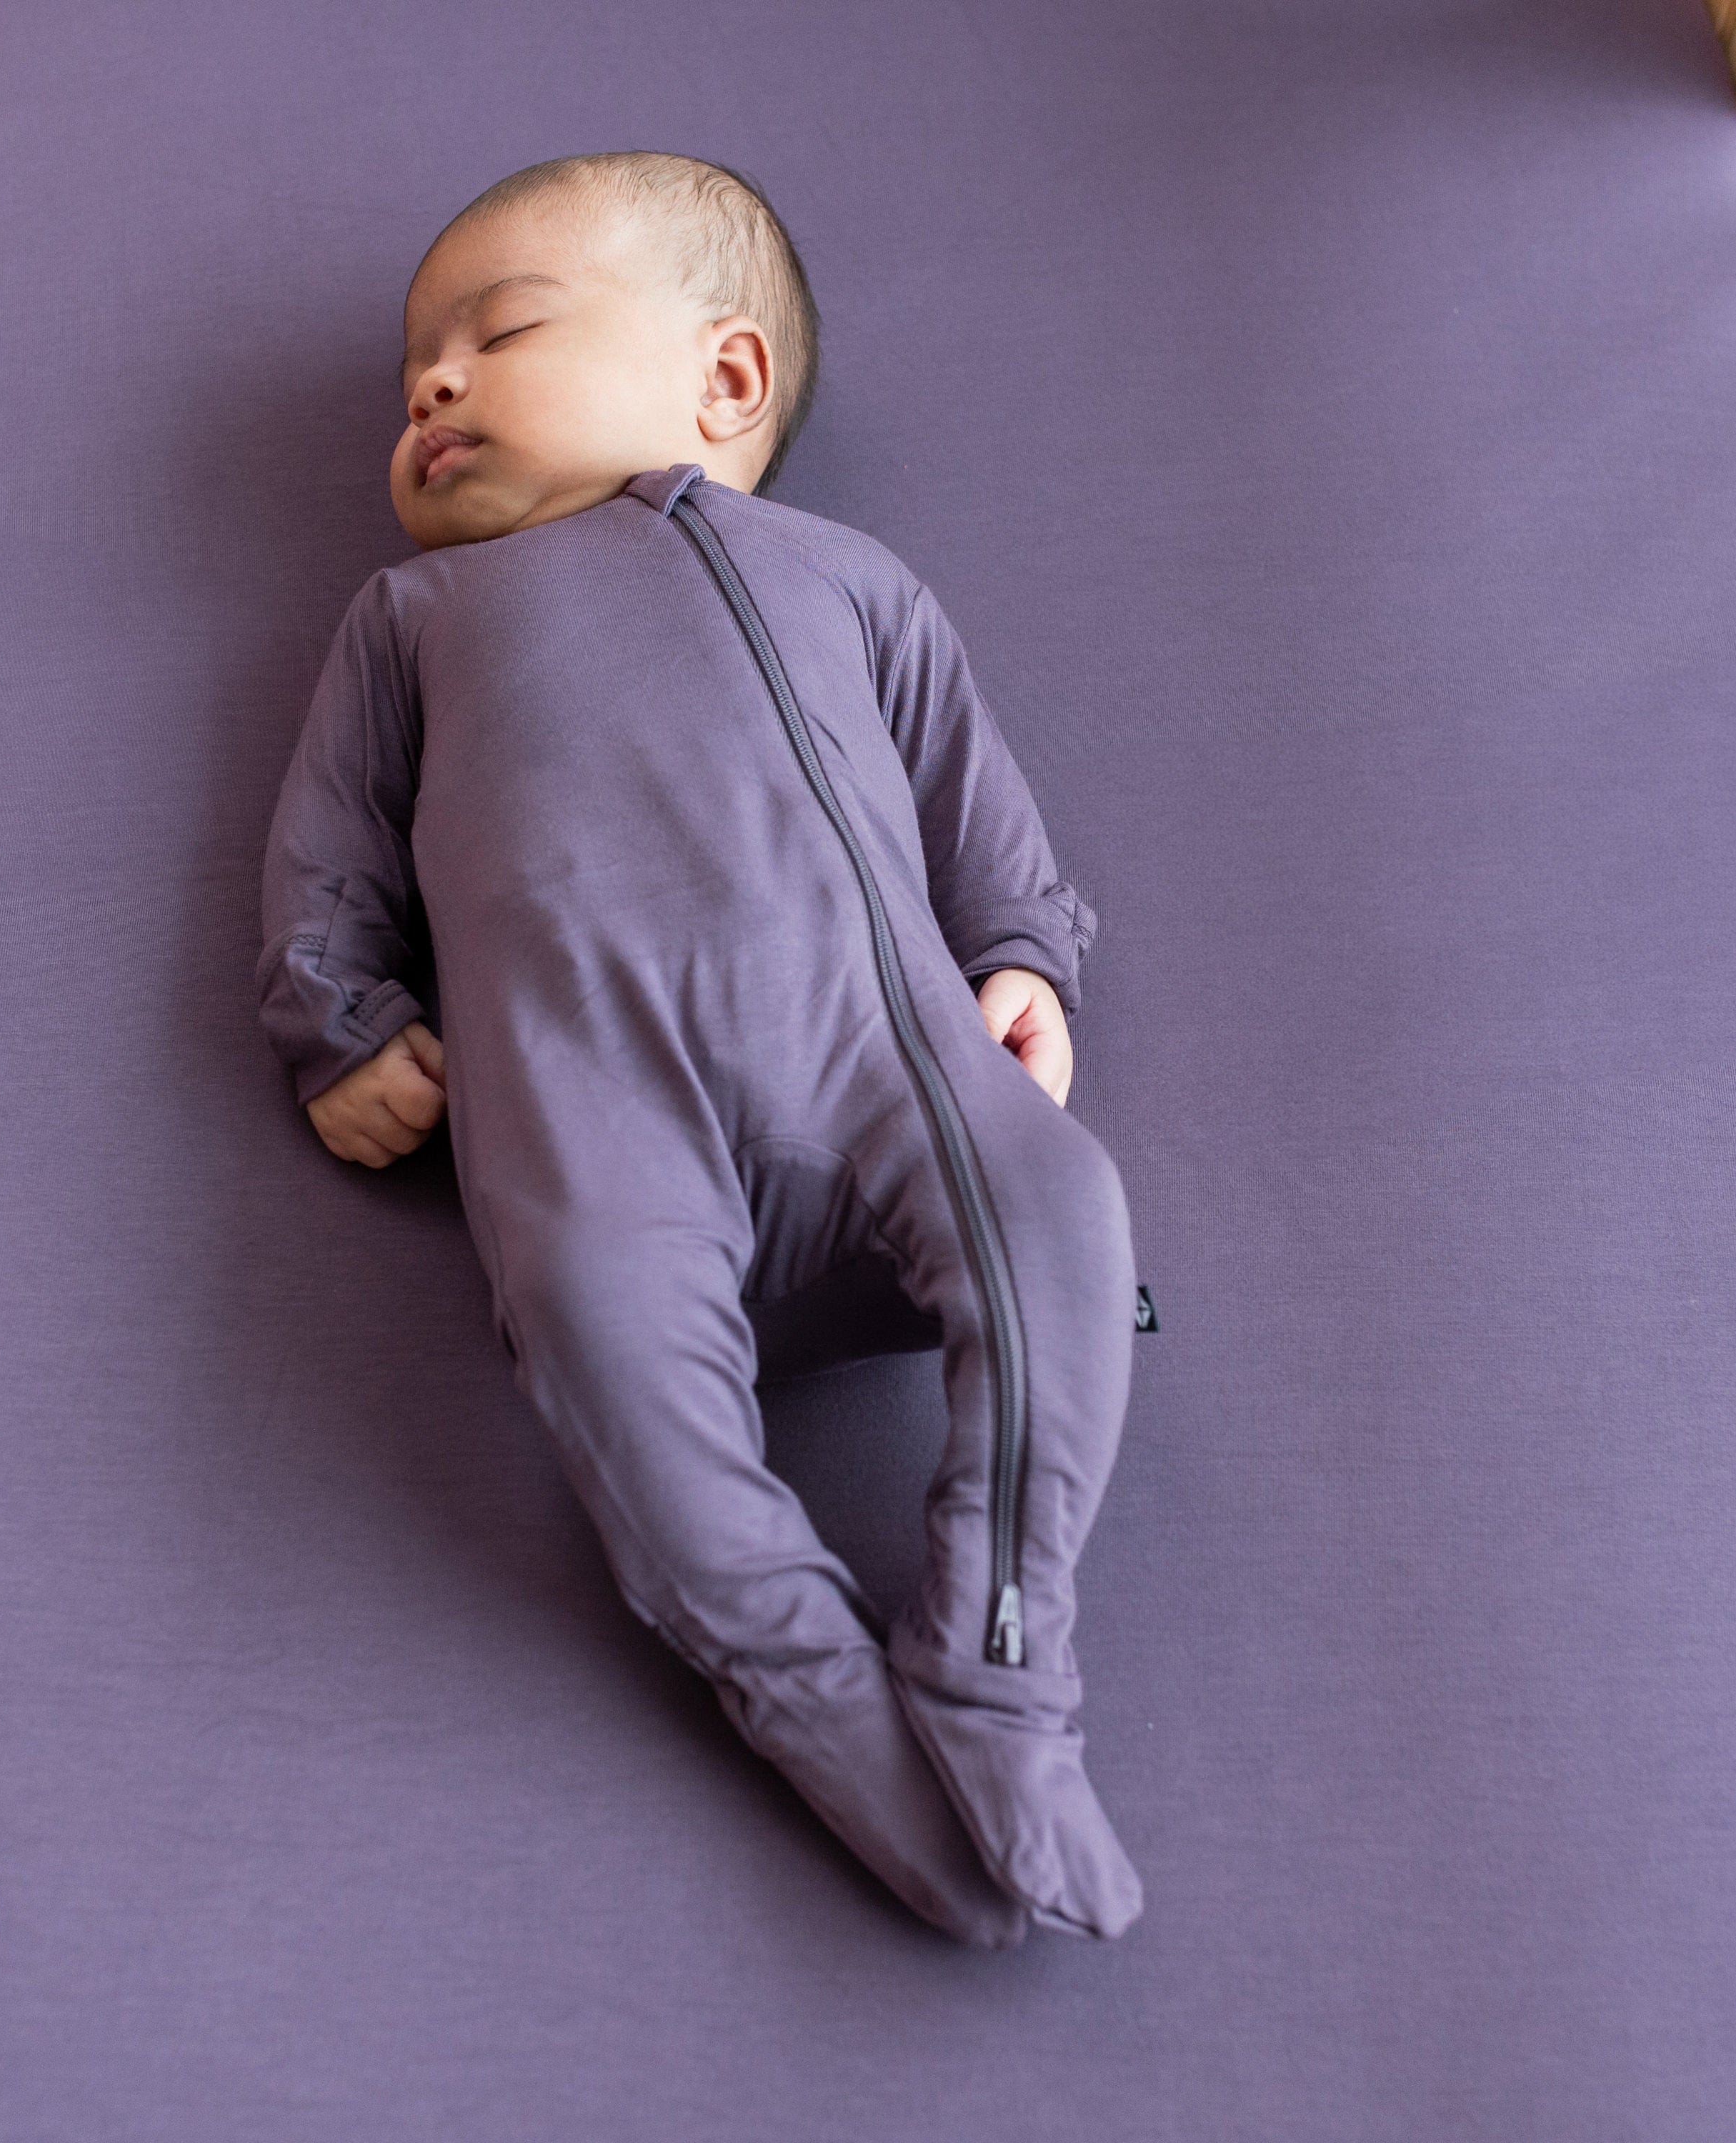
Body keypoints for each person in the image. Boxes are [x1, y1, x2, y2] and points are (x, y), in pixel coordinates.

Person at [256, 151, 1142, 1949]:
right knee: (600, 1352)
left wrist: (1025, 956)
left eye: (493, 335)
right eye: (413, 373)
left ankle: (1001, 1654)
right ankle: (816, 1699)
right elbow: (323, 846)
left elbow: (976, 803)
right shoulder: (411, 622)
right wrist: (341, 1019)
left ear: (723, 381)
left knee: (1067, 1216)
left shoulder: (846, 578)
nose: (429, 384)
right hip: (592, 1110)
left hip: (881, 1057)